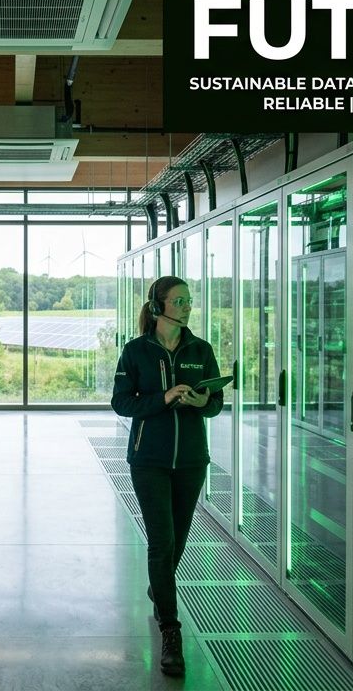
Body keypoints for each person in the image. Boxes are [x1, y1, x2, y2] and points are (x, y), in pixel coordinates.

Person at [110, 275, 224, 678]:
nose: (187, 306)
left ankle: (159, 588)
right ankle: (170, 631)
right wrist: (164, 398)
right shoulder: (136, 351)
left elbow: (216, 404)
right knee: (162, 542)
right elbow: (121, 403)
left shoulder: (200, 349)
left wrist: (201, 400)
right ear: (158, 307)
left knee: (178, 539)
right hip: (149, 460)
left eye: (189, 300)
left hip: (192, 460)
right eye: (179, 300)